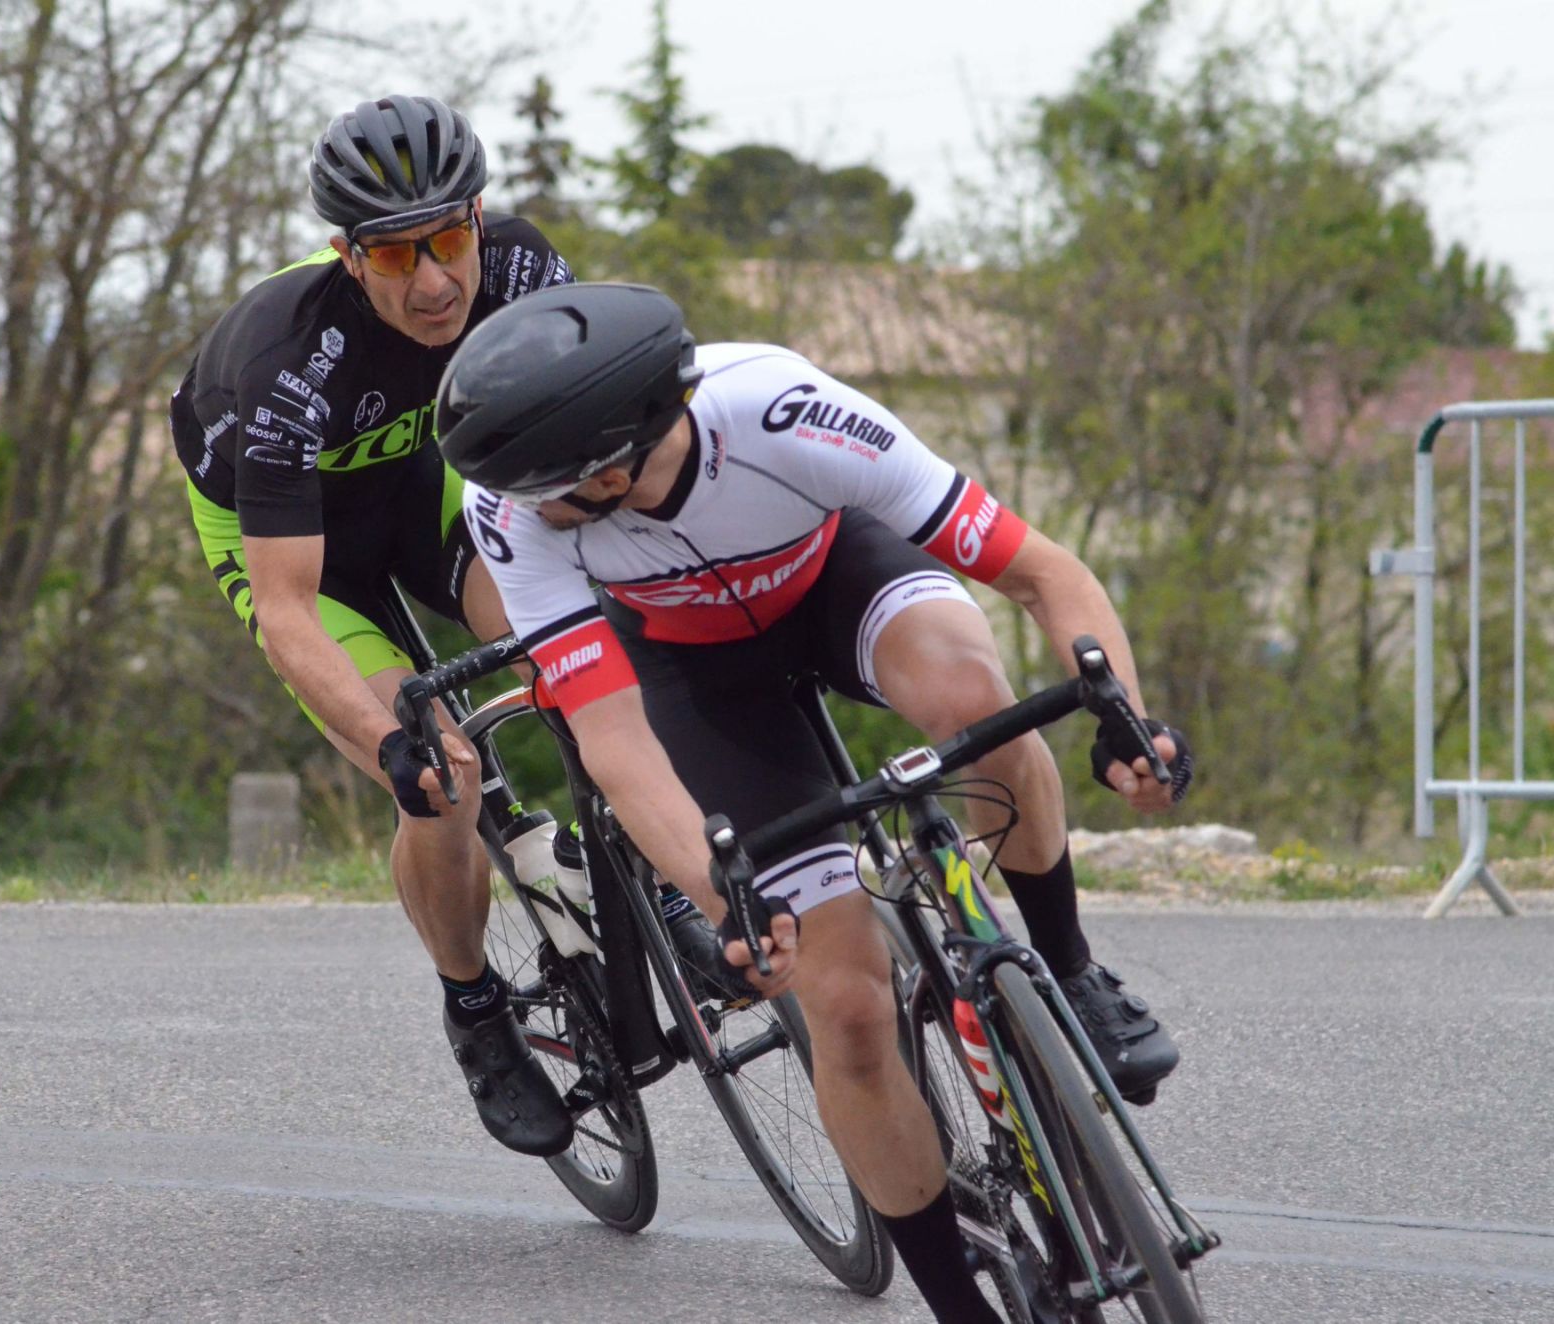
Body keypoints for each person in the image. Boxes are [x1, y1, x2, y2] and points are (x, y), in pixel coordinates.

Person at [438, 282, 1195, 1324]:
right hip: (698, 675)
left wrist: (1127, 721)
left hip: (838, 580)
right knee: (844, 1006)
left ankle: (1067, 968)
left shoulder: (781, 410)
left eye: (543, 494)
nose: (520, 512)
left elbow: (1039, 573)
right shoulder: (511, 514)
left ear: (611, 469)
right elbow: (617, 743)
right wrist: (723, 897)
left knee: (979, 706)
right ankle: (957, 1303)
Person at [169, 96, 647, 1159]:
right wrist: (392, 743)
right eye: (394, 254)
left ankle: (643, 871)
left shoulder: (522, 268)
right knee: (442, 779)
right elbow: (287, 609)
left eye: (448, 241)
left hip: (418, 489)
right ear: (349, 256)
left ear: (478, 219)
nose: (433, 282)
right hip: (294, 551)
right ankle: (474, 1008)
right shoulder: (287, 362)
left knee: (585, 651)